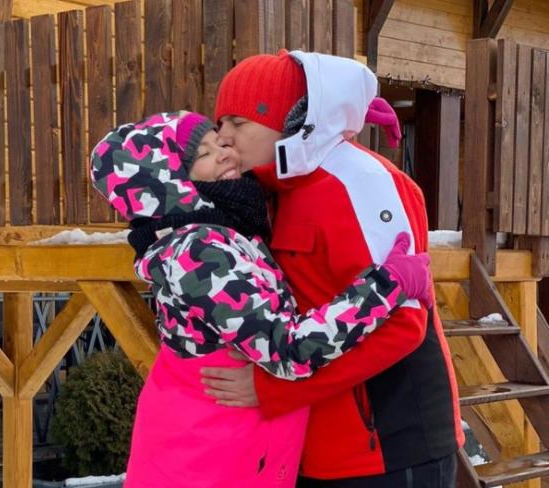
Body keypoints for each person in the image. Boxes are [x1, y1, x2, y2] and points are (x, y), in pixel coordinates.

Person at [90, 110, 432, 487]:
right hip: (204, 465)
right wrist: (386, 285)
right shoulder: (197, 253)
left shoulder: (229, 231)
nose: (225, 153)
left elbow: (276, 168)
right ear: (168, 184)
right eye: (203, 154)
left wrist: (336, 112)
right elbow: (287, 351)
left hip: (234, 457)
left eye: (220, 142)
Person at [202, 51, 464, 487]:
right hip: (309, 443)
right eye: (220, 123)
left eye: (239, 123)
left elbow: (402, 326)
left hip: (388, 447)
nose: (224, 136)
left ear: (289, 121)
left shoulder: (362, 181)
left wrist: (274, 389)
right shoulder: (268, 193)